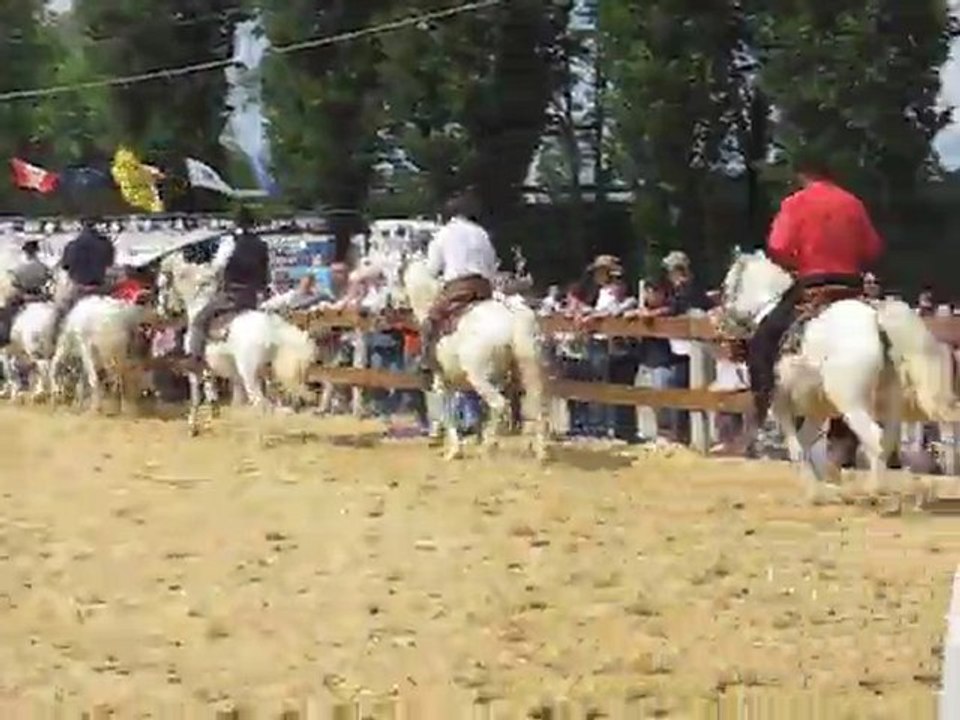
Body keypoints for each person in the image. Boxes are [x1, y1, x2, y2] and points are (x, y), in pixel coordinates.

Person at [744, 153, 883, 447]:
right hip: (851, 286)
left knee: (764, 338)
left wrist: (798, 260)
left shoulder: (795, 203)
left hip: (813, 283)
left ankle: (765, 407)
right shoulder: (853, 202)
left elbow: (778, 247)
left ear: (802, 175)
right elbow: (872, 248)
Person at [419, 189, 499, 374]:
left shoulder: (444, 233)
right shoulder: (482, 233)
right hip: (484, 289)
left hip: (459, 288)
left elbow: (431, 269)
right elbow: (492, 266)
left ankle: (426, 361)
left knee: (429, 322)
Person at [184, 206, 270, 369]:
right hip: (251, 296)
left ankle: (195, 358)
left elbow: (218, 267)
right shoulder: (261, 245)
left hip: (231, 295)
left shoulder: (229, 242)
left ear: (235, 223)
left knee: (198, 320)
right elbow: (265, 274)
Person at [47, 217, 115, 356]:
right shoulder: (106, 244)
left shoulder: (72, 245)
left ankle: (52, 346)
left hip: (78, 289)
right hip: (100, 288)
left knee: (58, 314)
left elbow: (66, 266)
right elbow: (109, 264)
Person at [0, 240, 52, 344]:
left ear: (25, 252)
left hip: (24, 299)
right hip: (42, 297)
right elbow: (50, 284)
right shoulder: (44, 268)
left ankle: (4, 338)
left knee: (5, 314)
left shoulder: (17, 270)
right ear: (36, 251)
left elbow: (13, 290)